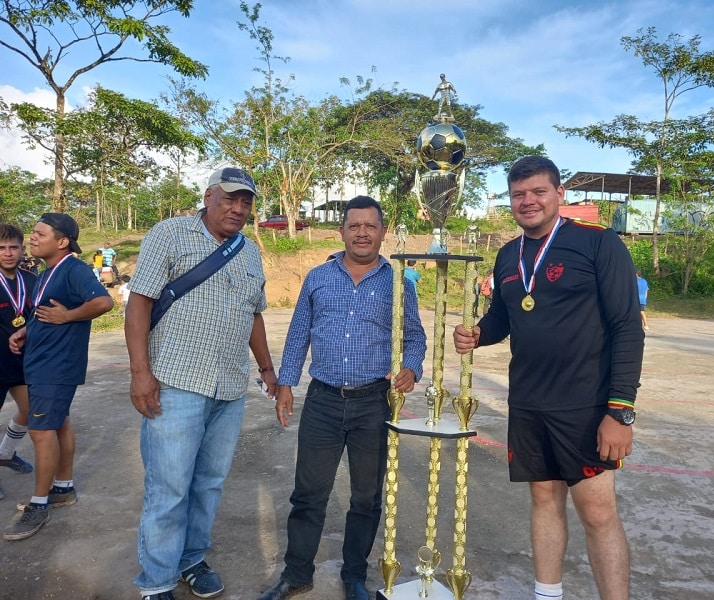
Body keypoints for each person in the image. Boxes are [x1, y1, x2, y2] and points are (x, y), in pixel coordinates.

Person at [453, 156, 644, 600]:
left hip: (586, 404)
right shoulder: (506, 255)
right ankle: (547, 594)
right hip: (528, 401)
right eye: (519, 194)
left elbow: (626, 327)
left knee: (596, 511)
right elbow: (503, 317)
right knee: (543, 498)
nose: (528, 201)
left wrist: (620, 409)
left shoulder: (599, 244)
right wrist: (479, 333)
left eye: (539, 191)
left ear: (559, 194)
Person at [258, 196, 426, 600]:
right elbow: (299, 333)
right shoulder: (317, 277)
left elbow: (415, 336)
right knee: (308, 493)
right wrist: (285, 384)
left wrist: (412, 368)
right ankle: (297, 573)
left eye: (370, 226)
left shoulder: (399, 282)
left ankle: (354, 575)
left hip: (374, 402)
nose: (362, 233)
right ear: (342, 231)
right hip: (323, 402)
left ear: (383, 232)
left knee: (366, 497)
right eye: (354, 226)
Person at [125, 167, 277, 600]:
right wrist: (140, 372)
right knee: (169, 486)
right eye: (230, 198)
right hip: (175, 382)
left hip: (229, 388)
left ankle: (191, 558)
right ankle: (156, 582)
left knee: (208, 482)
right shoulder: (170, 234)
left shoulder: (248, 251)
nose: (238, 208)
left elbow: (254, 314)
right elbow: (139, 304)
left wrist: (266, 368)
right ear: (209, 195)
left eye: (246, 201)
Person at [4, 213, 114, 541]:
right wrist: (25, 331)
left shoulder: (75, 269)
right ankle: (63, 488)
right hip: (43, 362)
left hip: (56, 365)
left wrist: (69, 316)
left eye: (39, 233)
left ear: (61, 241)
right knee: (59, 422)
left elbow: (103, 301)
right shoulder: (46, 271)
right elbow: (45, 311)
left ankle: (39, 505)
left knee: (40, 431)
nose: (32, 238)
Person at [0, 224, 36, 501]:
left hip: (23, 361)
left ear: (23, 249)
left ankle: (5, 454)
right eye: (2, 248)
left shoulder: (32, 280)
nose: (8, 253)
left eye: (13, 247)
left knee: (30, 410)